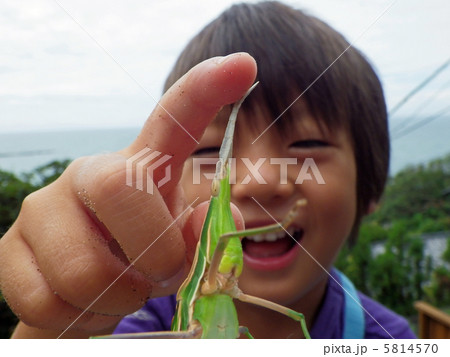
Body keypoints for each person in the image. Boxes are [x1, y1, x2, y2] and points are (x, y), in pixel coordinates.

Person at [0, 1, 415, 338]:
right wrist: (70, 316)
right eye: (211, 151)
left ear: (371, 185)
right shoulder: (136, 320)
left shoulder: (392, 339)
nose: (257, 181)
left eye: (307, 145)